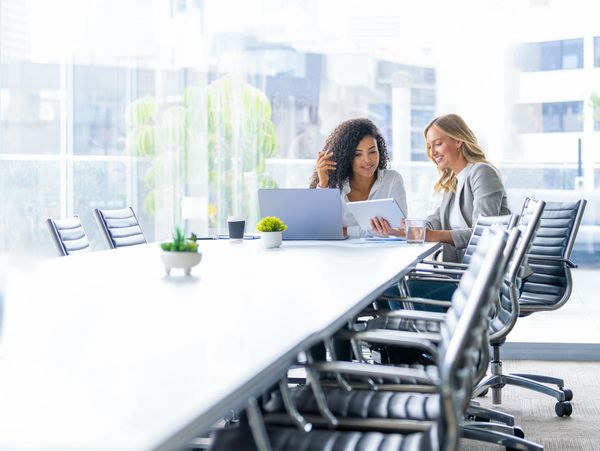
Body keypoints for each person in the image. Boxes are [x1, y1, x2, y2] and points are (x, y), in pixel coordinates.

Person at [372, 113, 510, 262]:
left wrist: (431, 235)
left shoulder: (482, 172)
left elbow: (484, 232)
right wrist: (399, 231)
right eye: (429, 147)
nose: (432, 153)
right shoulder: (453, 183)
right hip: (463, 270)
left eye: (438, 144)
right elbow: (435, 221)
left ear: (458, 141)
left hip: (486, 275)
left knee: (402, 283)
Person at [309, 118, 408, 237]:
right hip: (339, 254)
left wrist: (347, 231)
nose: (367, 160)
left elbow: (403, 230)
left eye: (372, 152)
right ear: (346, 157)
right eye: (357, 154)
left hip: (382, 254)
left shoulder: (392, 180)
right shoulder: (333, 185)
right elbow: (320, 229)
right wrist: (323, 183)